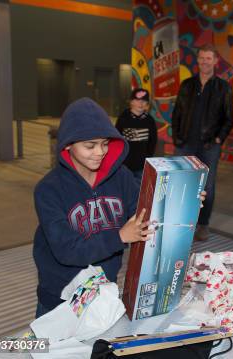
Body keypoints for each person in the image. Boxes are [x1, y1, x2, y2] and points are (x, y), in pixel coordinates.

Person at [33, 98, 154, 318]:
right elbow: (67, 250)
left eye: (105, 143)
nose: (100, 152)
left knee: (97, 352)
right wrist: (119, 237)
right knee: (47, 351)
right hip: (58, 299)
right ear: (68, 145)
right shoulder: (48, 190)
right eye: (90, 146)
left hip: (103, 292)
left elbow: (147, 214)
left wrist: (184, 201)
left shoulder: (121, 178)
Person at [171, 44, 233, 241]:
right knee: (183, 184)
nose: (204, 62)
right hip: (185, 144)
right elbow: (177, 114)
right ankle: (181, 222)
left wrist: (218, 139)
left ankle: (203, 224)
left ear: (215, 61)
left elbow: (229, 118)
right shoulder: (187, 85)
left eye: (209, 58)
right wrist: (177, 137)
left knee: (207, 187)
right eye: (201, 58)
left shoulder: (223, 88)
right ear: (197, 60)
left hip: (209, 146)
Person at [115, 88, 157, 180]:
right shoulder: (123, 118)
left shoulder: (150, 121)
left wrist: (148, 158)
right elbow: (117, 139)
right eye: (137, 100)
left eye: (144, 101)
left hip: (142, 164)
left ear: (147, 104)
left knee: (139, 187)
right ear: (131, 102)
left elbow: (152, 142)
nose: (140, 103)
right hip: (124, 164)